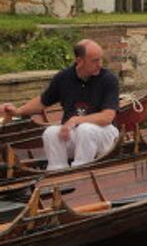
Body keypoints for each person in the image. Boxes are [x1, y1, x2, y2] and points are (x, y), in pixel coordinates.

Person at [1, 40, 120, 171]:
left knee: (85, 129)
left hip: (105, 134)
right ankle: (56, 173)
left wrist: (75, 120)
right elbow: (42, 102)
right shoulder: (63, 78)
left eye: (100, 60)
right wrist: (17, 111)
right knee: (50, 133)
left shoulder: (109, 80)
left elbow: (107, 117)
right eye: (94, 61)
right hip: (76, 134)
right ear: (79, 61)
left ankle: (80, 171)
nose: (100, 65)